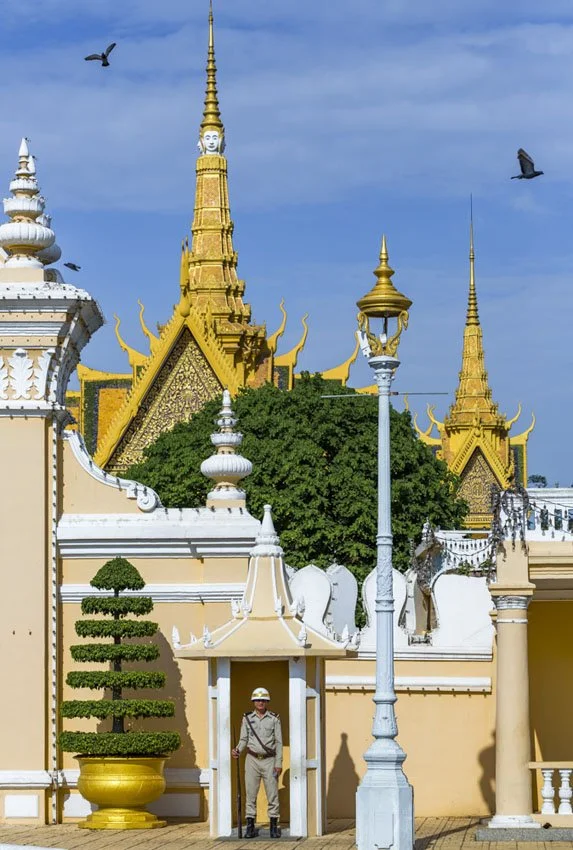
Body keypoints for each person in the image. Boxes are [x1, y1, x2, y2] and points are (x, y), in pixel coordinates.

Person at [232, 687, 283, 838]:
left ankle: (274, 826)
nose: (260, 702)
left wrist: (278, 763)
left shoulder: (274, 718)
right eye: (257, 700)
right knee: (250, 793)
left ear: (267, 702)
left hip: (269, 760)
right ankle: (250, 826)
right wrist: (237, 750)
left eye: (263, 700)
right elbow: (243, 739)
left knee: (272, 793)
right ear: (253, 702)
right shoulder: (247, 718)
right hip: (252, 760)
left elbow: (279, 742)